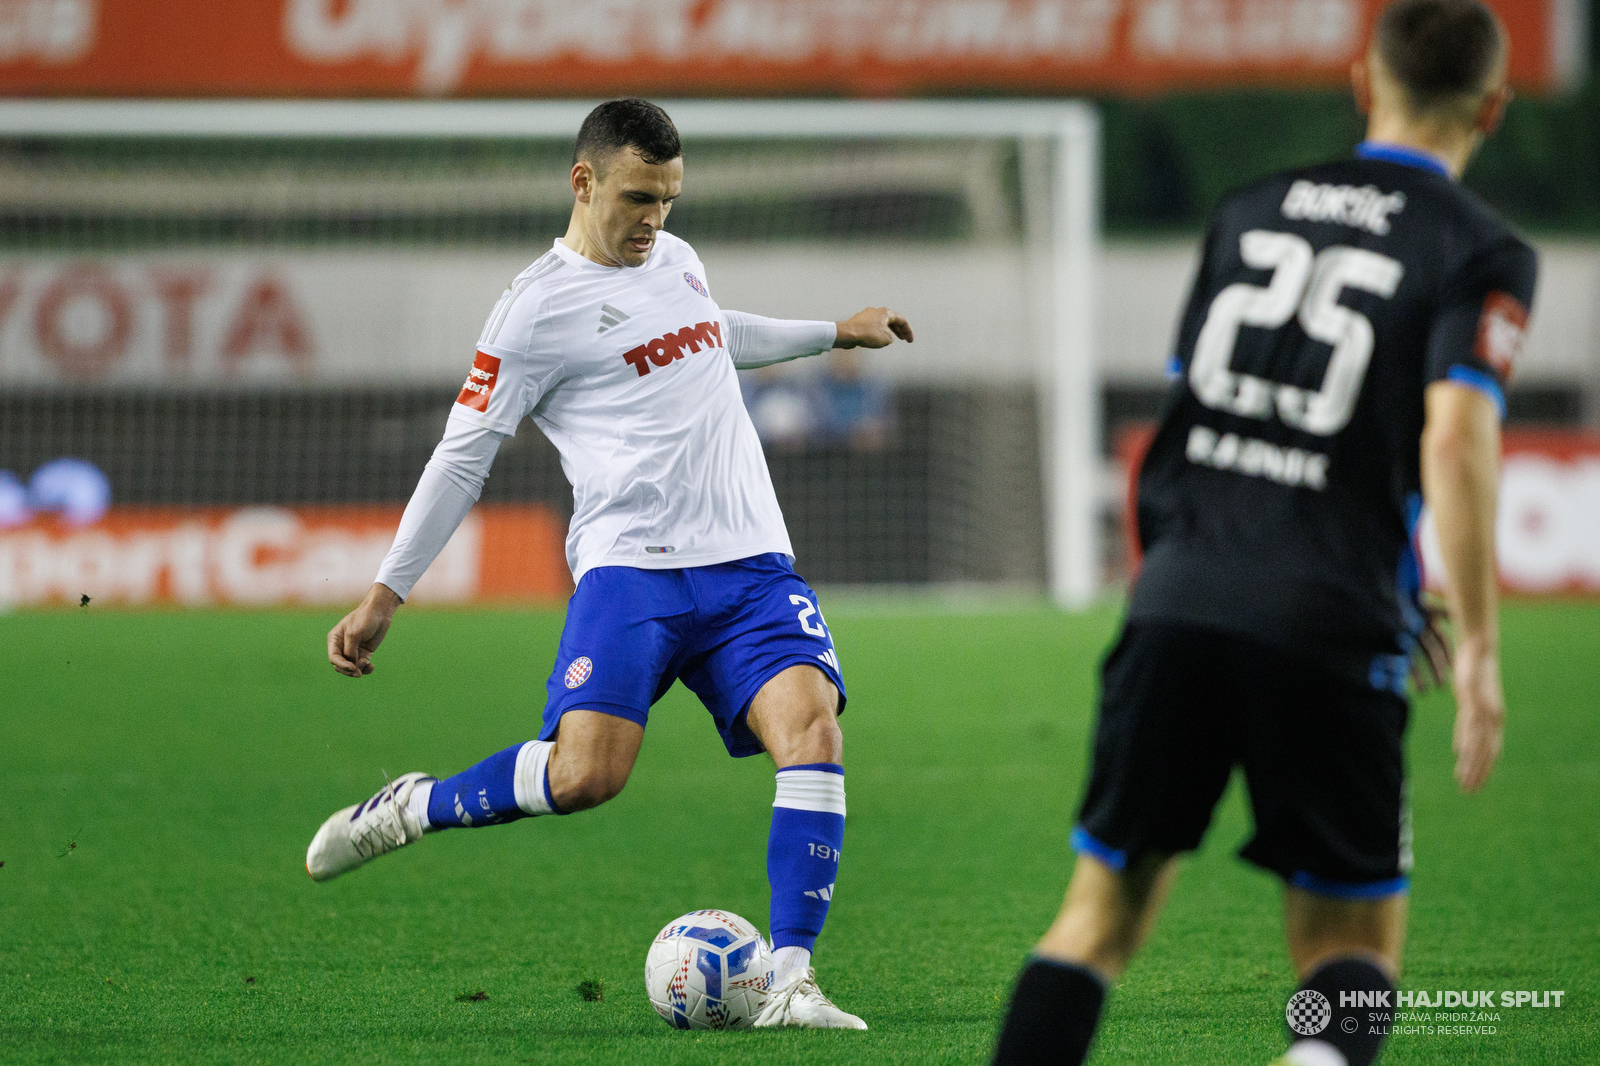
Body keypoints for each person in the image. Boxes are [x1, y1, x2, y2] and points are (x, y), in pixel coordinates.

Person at [991, 3, 1532, 1065]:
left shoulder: (1250, 208)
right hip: (1329, 619)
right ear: (1495, 108)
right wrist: (1474, 644)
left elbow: (1192, 418)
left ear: (1362, 83)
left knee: (1095, 920)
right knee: (1352, 949)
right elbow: (1456, 435)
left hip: (1181, 595)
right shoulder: (1480, 247)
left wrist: (1191, 573)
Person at [306, 99, 912, 1030]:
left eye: (668, 199)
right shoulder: (533, 313)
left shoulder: (674, 259)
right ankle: (415, 807)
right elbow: (462, 455)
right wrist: (388, 593)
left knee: (814, 732)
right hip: (631, 571)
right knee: (585, 777)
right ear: (583, 182)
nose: (655, 220)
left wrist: (834, 330)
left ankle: (791, 982)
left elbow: (716, 335)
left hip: (751, 564)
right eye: (638, 197)